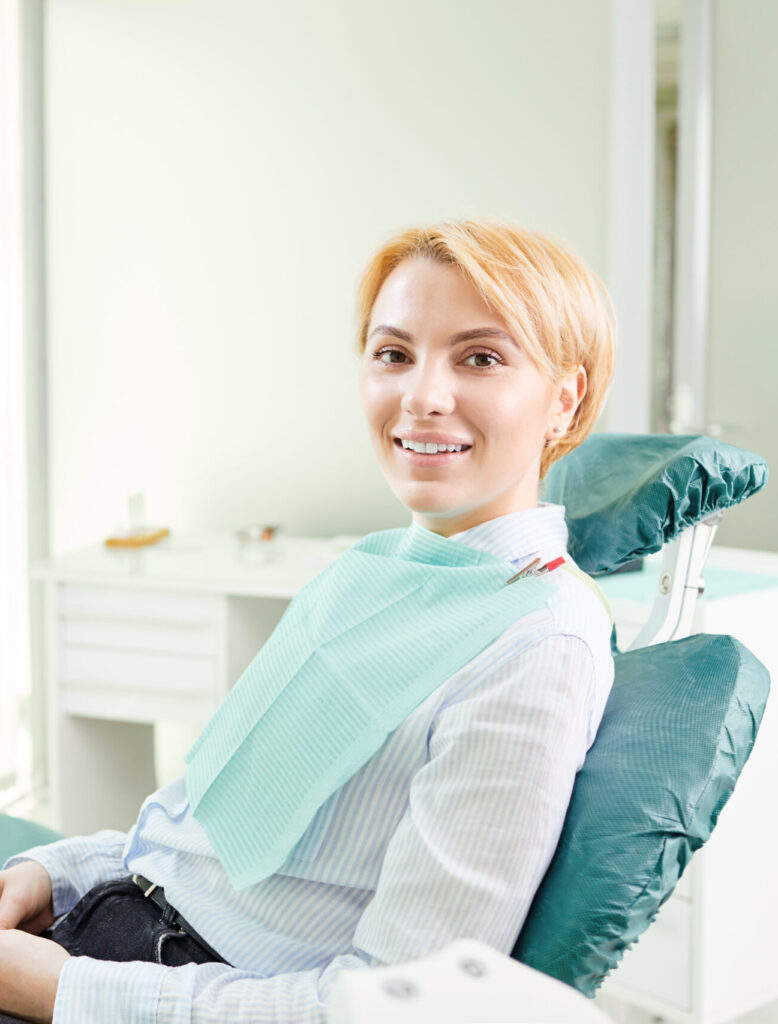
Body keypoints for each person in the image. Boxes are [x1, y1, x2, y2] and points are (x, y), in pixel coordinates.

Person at [0, 217, 617, 1024]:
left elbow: (389, 1008)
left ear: (563, 399)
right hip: (106, 923)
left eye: (481, 357)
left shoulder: (536, 644)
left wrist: (58, 989)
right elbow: (212, 829)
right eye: (393, 354)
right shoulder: (374, 573)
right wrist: (58, 872)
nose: (422, 396)